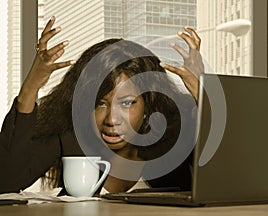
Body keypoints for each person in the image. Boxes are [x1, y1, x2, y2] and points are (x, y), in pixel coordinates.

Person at [0, 16, 204, 194]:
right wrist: (31, 87)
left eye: (126, 103)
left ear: (148, 106)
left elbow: (227, 175)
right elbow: (7, 181)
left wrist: (202, 92)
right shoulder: (71, 137)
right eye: (100, 104)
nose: (111, 120)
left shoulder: (174, 136)